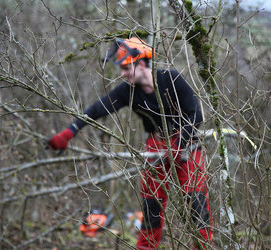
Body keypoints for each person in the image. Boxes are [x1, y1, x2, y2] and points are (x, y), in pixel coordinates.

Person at [48, 37, 212, 249]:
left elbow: (196, 115)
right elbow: (98, 108)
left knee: (196, 204)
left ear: (141, 63)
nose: (123, 74)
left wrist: (179, 143)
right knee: (151, 205)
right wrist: (70, 132)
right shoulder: (128, 90)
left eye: (126, 68)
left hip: (188, 143)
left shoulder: (170, 78)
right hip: (156, 145)